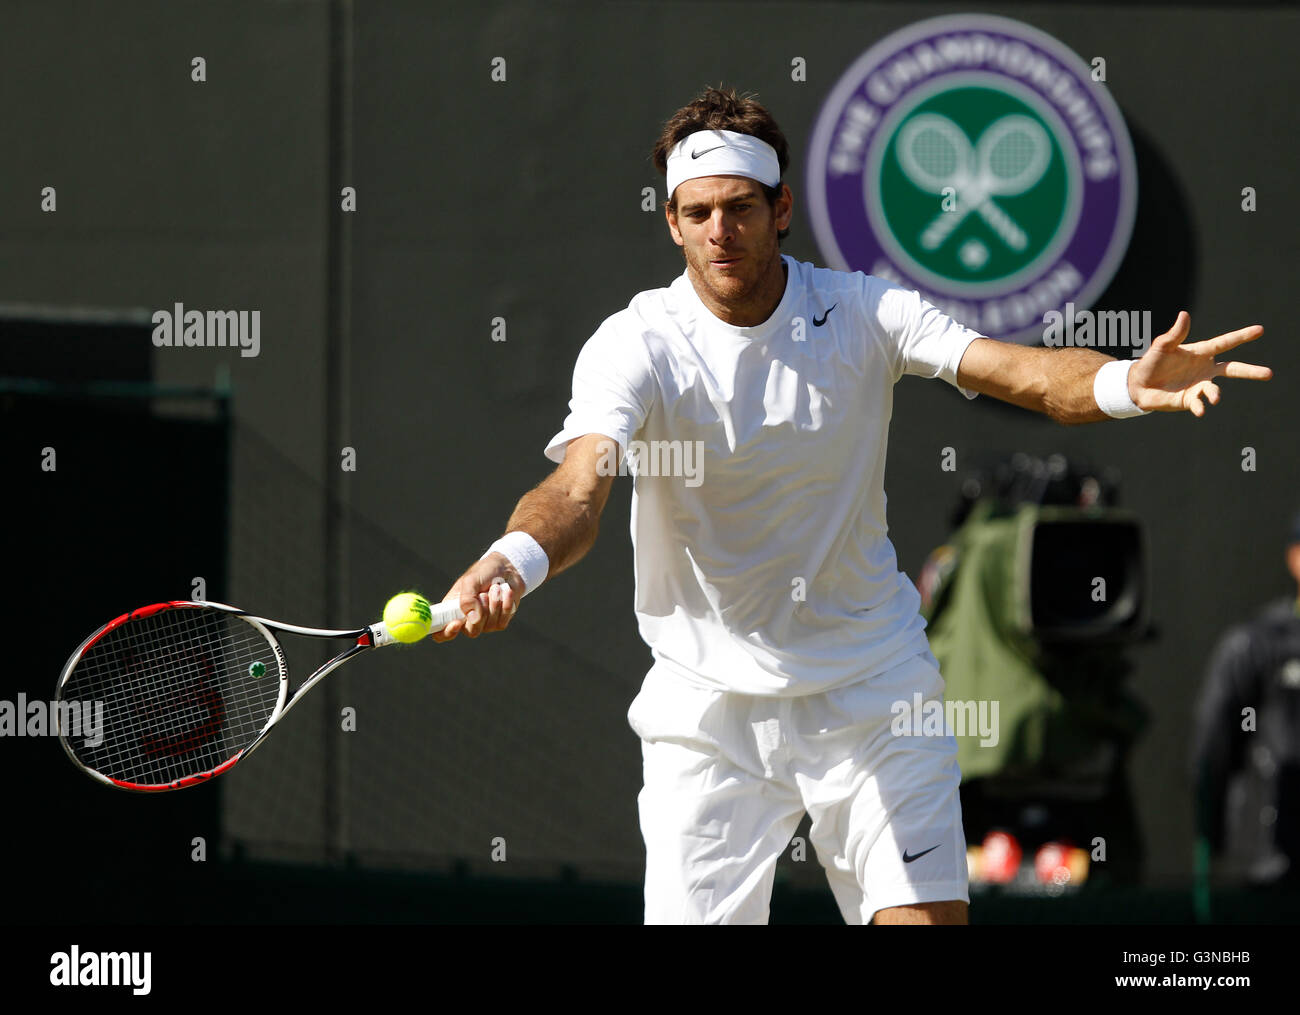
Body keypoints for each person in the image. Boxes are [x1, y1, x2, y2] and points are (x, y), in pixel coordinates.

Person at [433, 86, 1272, 924]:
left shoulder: (867, 313)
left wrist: (1126, 380)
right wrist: (515, 558)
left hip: (873, 692)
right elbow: (581, 487)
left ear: (781, 208)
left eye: (739, 208)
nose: (719, 231)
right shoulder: (635, 343)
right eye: (697, 212)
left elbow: (1024, 375)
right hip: (706, 713)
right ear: (672, 222)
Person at [1192, 511, 1300, 888]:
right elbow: (1214, 747)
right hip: (1269, 868)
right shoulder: (1255, 646)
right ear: (1295, 557)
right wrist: (1211, 832)